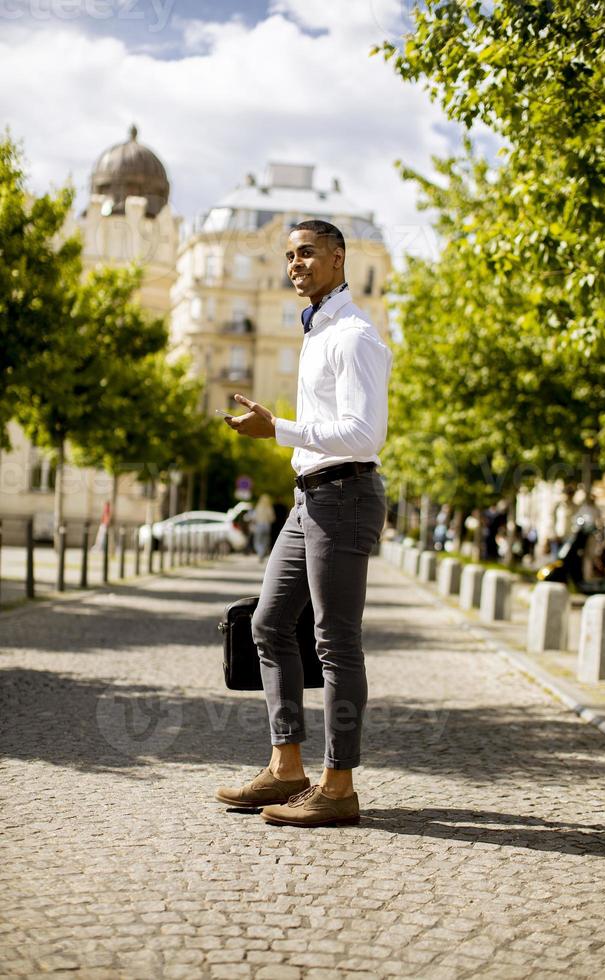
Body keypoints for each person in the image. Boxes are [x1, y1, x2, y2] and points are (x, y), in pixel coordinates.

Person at [215, 219, 392, 827]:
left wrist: (279, 430)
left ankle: (337, 786)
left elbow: (365, 434)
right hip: (309, 496)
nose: (296, 263)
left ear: (339, 259)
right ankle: (286, 768)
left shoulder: (354, 335)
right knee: (267, 623)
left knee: (336, 641)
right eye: (290, 255)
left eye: (308, 253)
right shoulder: (318, 330)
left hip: (343, 495)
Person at [252, 493, 275, 560]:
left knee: (257, 541)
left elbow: (254, 517)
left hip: (259, 525)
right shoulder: (269, 508)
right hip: (267, 526)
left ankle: (260, 553)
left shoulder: (258, 507)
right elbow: (272, 518)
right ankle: (263, 553)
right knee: (266, 541)